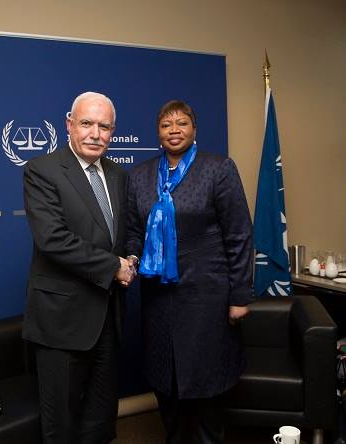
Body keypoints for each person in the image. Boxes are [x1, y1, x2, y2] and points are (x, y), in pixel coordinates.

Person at [126, 100, 253, 443]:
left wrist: (240, 296)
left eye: (182, 123)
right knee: (166, 383)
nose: (174, 130)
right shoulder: (139, 176)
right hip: (158, 302)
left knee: (205, 386)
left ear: (194, 129)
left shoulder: (218, 168)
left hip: (207, 298)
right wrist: (131, 260)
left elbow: (239, 234)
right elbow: (135, 231)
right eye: (167, 125)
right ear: (158, 133)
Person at [22, 91, 135, 443]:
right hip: (62, 321)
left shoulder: (118, 174)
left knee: (100, 421)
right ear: (69, 124)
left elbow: (127, 232)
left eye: (104, 126)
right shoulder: (42, 170)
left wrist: (130, 259)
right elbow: (52, 239)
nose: (95, 133)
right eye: (86, 123)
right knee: (62, 425)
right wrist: (113, 267)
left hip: (107, 317)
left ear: (113, 132)